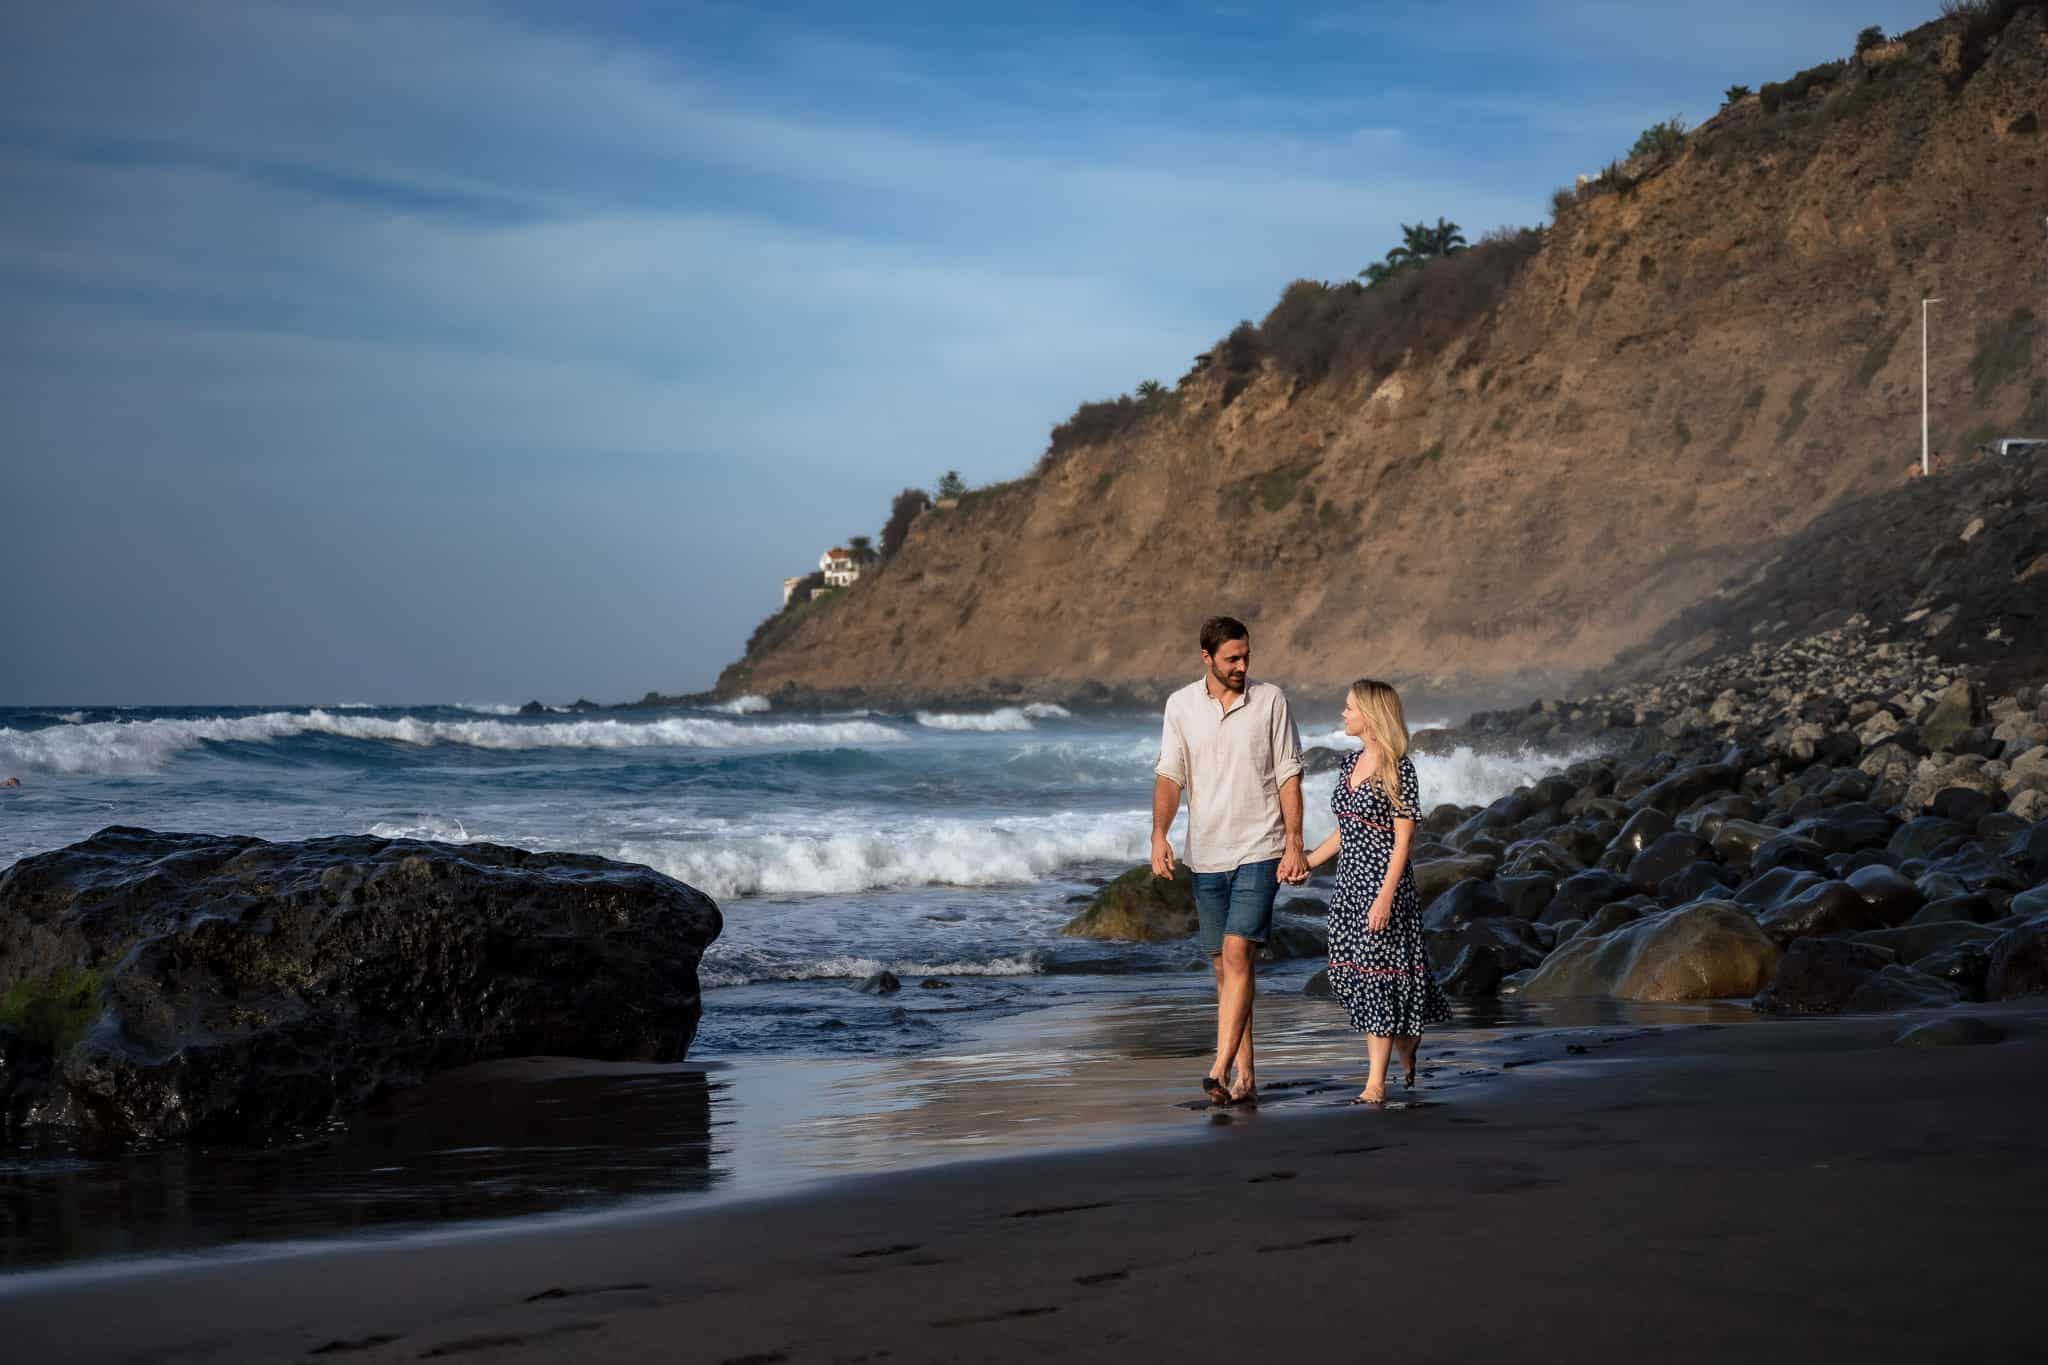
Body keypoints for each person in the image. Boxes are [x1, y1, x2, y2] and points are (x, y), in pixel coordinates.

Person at [1152, 616, 1306, 1106]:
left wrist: (1295, 841)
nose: (1242, 666)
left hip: (1260, 847)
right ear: (1206, 659)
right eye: (1231, 659)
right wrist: (1159, 834)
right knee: (1226, 971)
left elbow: (1288, 776)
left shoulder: (1271, 701)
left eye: (1246, 657)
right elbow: (1170, 776)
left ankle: (1217, 1067)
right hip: (1206, 855)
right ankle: (1245, 1077)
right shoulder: (1180, 706)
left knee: (1239, 957)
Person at [1303, 678, 1451, 1105]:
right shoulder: (1349, 764)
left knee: (1377, 979)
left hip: (1384, 886)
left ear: (1370, 715)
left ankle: (1375, 1084)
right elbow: (1345, 830)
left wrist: (1385, 897)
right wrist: (1308, 863)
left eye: (1349, 708)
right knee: (1349, 974)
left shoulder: (1398, 767)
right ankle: (1406, 1038)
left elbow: (1404, 840)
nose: (1343, 714)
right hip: (1348, 886)